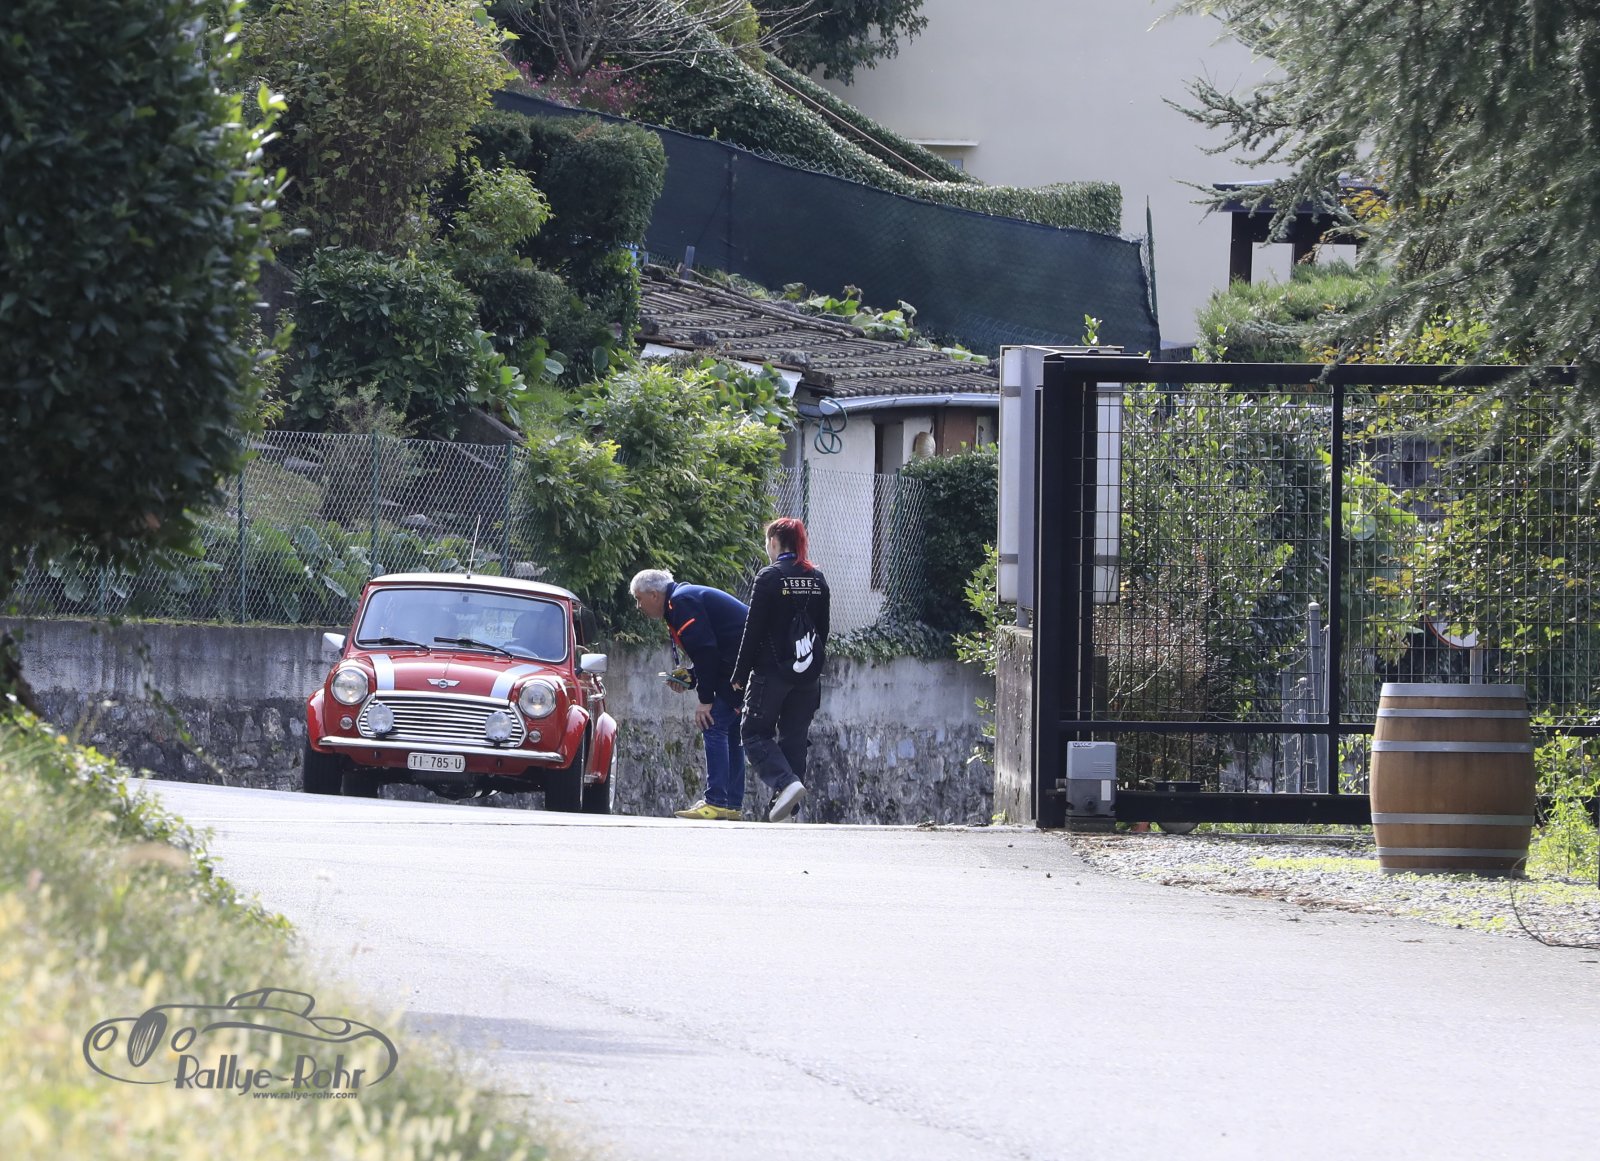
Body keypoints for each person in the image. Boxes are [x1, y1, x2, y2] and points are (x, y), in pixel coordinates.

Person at [630, 568, 750, 821]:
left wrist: (705, 700)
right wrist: (691, 677)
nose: (638, 606)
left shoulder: (681, 602)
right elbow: (712, 649)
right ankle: (731, 804)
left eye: (639, 599)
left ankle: (716, 802)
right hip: (745, 664)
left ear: (654, 595)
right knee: (730, 730)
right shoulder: (682, 599)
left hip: (742, 667)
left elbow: (707, 652)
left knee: (712, 723)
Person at [732, 517, 830, 822]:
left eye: (767, 542)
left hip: (771, 674)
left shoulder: (769, 577)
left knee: (753, 733)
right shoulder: (818, 579)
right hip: (808, 675)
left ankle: (786, 784)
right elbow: (823, 632)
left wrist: (739, 675)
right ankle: (789, 805)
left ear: (774, 542)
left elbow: (753, 631)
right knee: (794, 738)